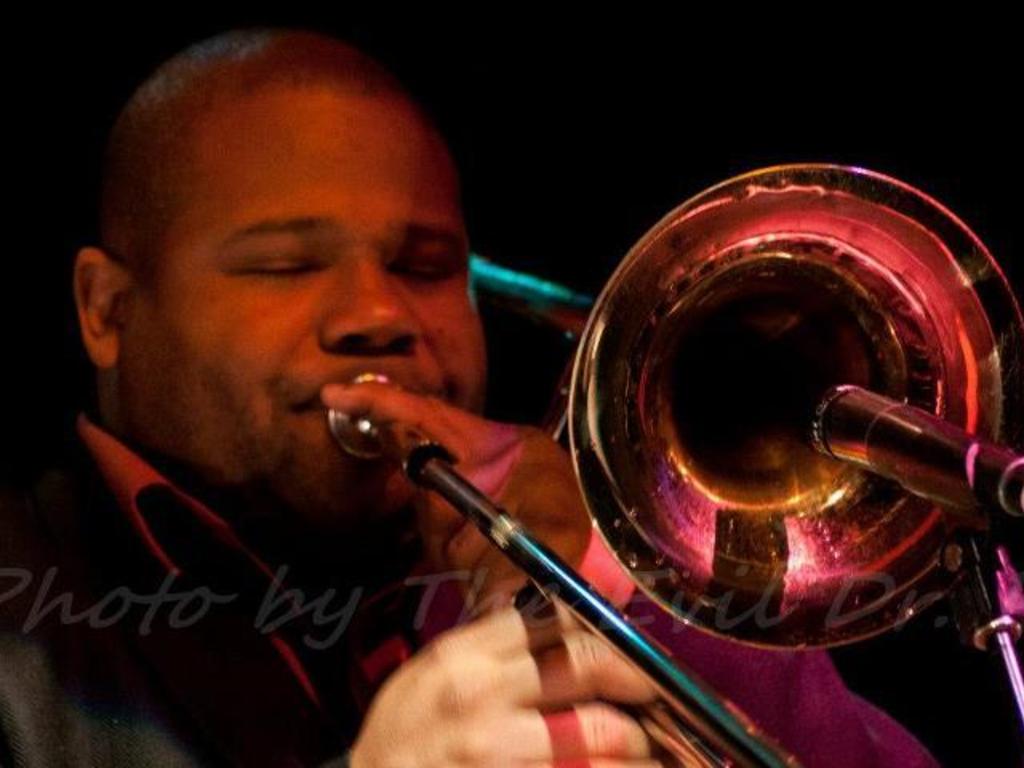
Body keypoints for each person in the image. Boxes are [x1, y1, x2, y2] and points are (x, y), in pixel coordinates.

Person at [0, 28, 938, 767]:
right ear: (106, 310)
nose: (379, 314)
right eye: (285, 265)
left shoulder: (509, 568)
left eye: (425, 267)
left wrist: (630, 584)